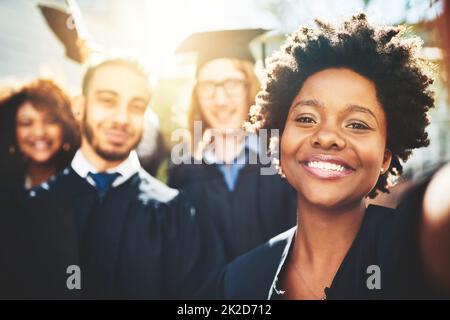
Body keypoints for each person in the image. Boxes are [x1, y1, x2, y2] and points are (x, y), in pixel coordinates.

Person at [218, 14, 450, 299]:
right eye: (306, 118)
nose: (326, 137)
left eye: (356, 124)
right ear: (280, 140)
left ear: (385, 158)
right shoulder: (240, 280)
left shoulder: (416, 256)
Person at [1, 57, 225, 299]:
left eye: (136, 106)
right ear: (80, 107)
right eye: (108, 101)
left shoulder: (178, 213)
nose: (122, 118)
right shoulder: (26, 211)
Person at [168, 29, 297, 262]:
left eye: (232, 84)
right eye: (208, 86)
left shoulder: (284, 161)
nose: (220, 99)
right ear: (196, 94)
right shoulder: (183, 170)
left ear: (251, 86)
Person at [0, 79, 80, 191]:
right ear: (12, 130)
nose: (39, 132)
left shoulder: (82, 184)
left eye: (50, 121)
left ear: (65, 126)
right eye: (26, 123)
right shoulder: (5, 183)